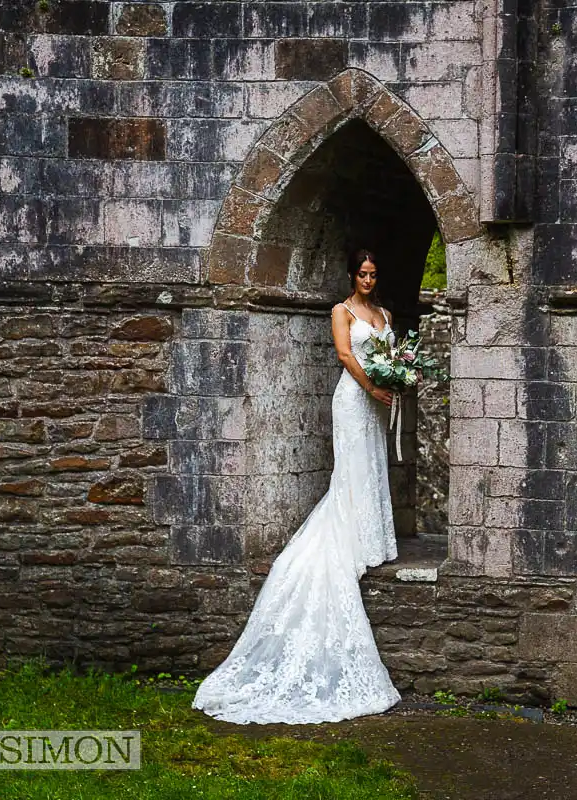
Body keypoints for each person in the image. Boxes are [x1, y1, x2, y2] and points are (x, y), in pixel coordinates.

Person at [192, 249, 402, 724]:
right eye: (362, 273)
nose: (368, 279)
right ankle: (351, 537)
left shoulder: (385, 314)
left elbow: (389, 351)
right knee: (351, 467)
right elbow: (347, 354)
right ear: (352, 275)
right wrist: (372, 387)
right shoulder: (341, 311)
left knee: (374, 463)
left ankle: (375, 536)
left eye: (373, 273)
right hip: (354, 398)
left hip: (378, 399)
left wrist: (396, 376)